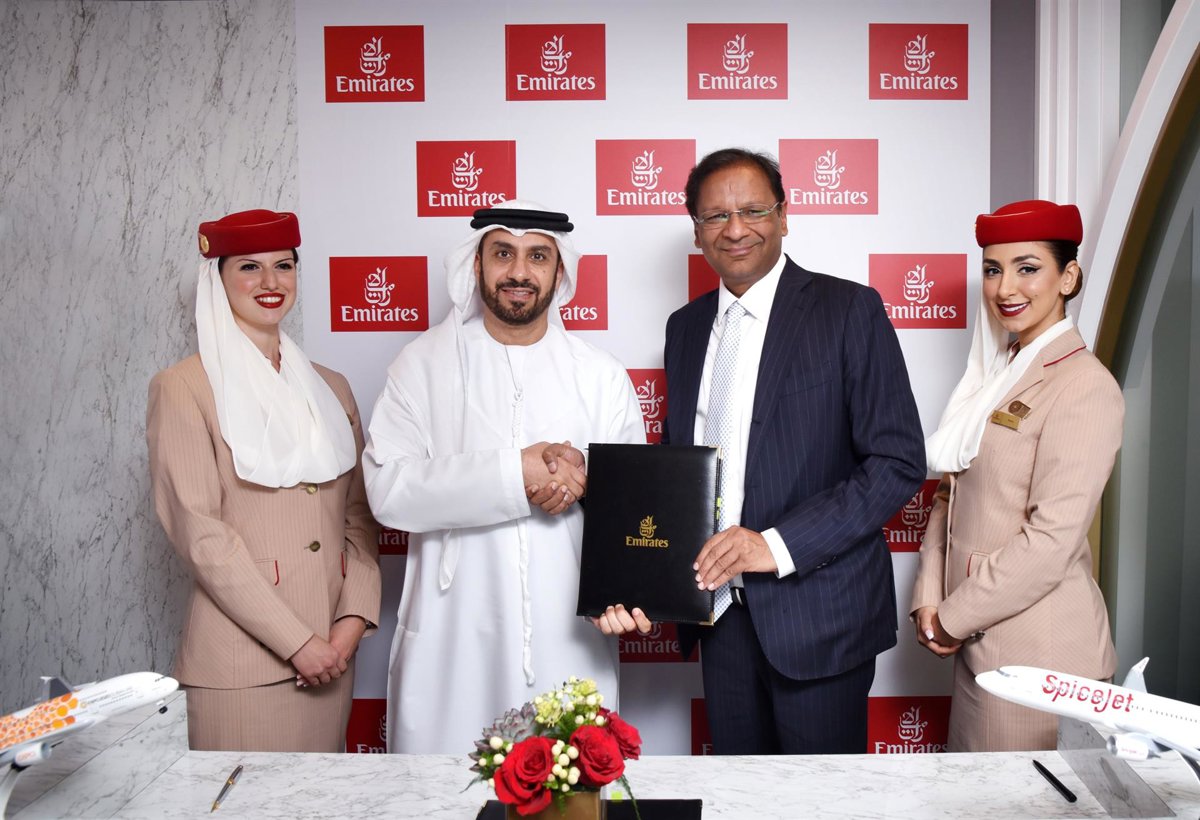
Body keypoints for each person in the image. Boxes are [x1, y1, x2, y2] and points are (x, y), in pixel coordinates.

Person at [656, 148, 926, 754]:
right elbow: (679, 465)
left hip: (820, 615)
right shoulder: (684, 328)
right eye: (715, 216)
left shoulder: (848, 310)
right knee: (739, 796)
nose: (735, 229)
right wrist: (647, 575)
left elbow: (897, 461)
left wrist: (774, 546)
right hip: (718, 615)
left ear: (783, 216)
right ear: (696, 231)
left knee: (822, 799)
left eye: (753, 210)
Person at [363, 201, 648, 754]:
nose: (519, 272)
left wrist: (585, 481)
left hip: (568, 640)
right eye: (502, 254)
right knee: (443, 790)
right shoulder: (420, 365)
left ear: (559, 272)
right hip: (451, 641)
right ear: (476, 265)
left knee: (568, 788)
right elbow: (388, 491)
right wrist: (516, 474)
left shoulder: (601, 376)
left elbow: (634, 510)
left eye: (537, 256)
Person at [147, 209, 381, 752]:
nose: (271, 282)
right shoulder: (183, 387)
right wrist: (298, 643)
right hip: (244, 665)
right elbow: (201, 536)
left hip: (333, 656)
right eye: (249, 267)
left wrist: (350, 621)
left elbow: (358, 518)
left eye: (284, 265)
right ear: (218, 279)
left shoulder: (331, 387)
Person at [911, 199, 1121, 751]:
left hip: (1040, 657)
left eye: (1028, 268)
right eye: (992, 269)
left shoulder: (1084, 386)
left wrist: (953, 616)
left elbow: (1051, 541)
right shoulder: (997, 372)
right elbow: (950, 492)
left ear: (1068, 277)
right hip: (981, 638)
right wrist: (929, 596)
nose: (1005, 288)